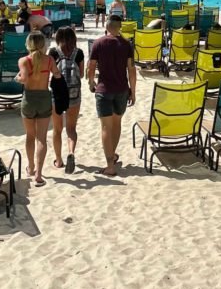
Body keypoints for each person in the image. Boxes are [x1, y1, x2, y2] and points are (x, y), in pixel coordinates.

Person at [86, 16, 137, 177]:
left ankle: (110, 165)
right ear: (120, 27)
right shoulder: (126, 44)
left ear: (107, 26)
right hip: (121, 89)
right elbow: (132, 70)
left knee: (106, 127)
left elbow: (91, 66)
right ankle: (112, 155)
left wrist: (91, 82)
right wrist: (133, 91)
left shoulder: (98, 43)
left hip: (104, 90)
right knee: (116, 124)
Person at [17, 31, 60, 187]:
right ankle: (39, 175)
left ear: (28, 44)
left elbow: (23, 79)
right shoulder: (49, 60)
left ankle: (31, 167)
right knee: (41, 137)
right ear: (43, 45)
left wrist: (17, 78)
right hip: (44, 98)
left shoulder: (24, 60)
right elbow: (57, 75)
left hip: (29, 98)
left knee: (30, 136)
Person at [49, 26, 84, 173]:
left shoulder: (53, 52)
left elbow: (49, 72)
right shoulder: (79, 53)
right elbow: (81, 75)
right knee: (71, 128)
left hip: (57, 95)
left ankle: (59, 160)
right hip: (74, 94)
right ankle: (71, 152)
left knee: (57, 129)